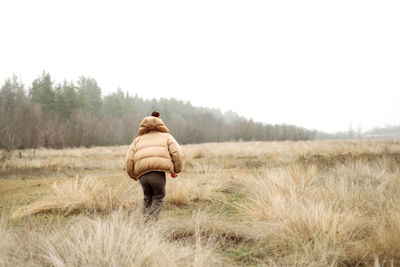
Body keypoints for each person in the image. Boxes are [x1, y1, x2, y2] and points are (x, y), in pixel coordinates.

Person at [125, 111, 183, 221]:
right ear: (161, 124)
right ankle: (150, 223)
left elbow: (129, 159)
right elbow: (177, 153)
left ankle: (144, 223)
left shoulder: (137, 140)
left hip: (143, 176)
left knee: (147, 198)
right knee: (158, 197)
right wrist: (176, 170)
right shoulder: (166, 137)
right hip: (157, 174)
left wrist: (134, 176)